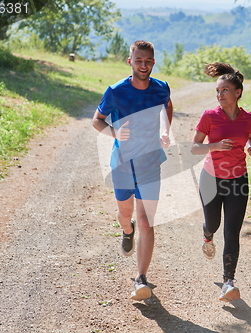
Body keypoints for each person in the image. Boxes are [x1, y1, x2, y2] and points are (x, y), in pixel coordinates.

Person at [92, 40, 173, 301]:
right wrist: (115, 132)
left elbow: (167, 105)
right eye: (139, 60)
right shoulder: (116, 91)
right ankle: (128, 230)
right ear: (130, 61)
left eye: (148, 61)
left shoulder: (161, 88)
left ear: (153, 62)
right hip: (123, 164)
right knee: (125, 214)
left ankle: (141, 278)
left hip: (150, 163)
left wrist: (165, 130)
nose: (144, 65)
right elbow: (97, 120)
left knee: (148, 220)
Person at [190, 62, 251, 302]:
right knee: (214, 223)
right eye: (217, 91)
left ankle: (228, 282)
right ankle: (207, 235)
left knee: (232, 232)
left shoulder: (248, 118)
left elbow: (250, 135)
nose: (220, 95)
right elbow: (194, 148)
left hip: (238, 180)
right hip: (211, 179)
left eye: (225, 90)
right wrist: (215, 146)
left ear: (237, 92)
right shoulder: (209, 117)